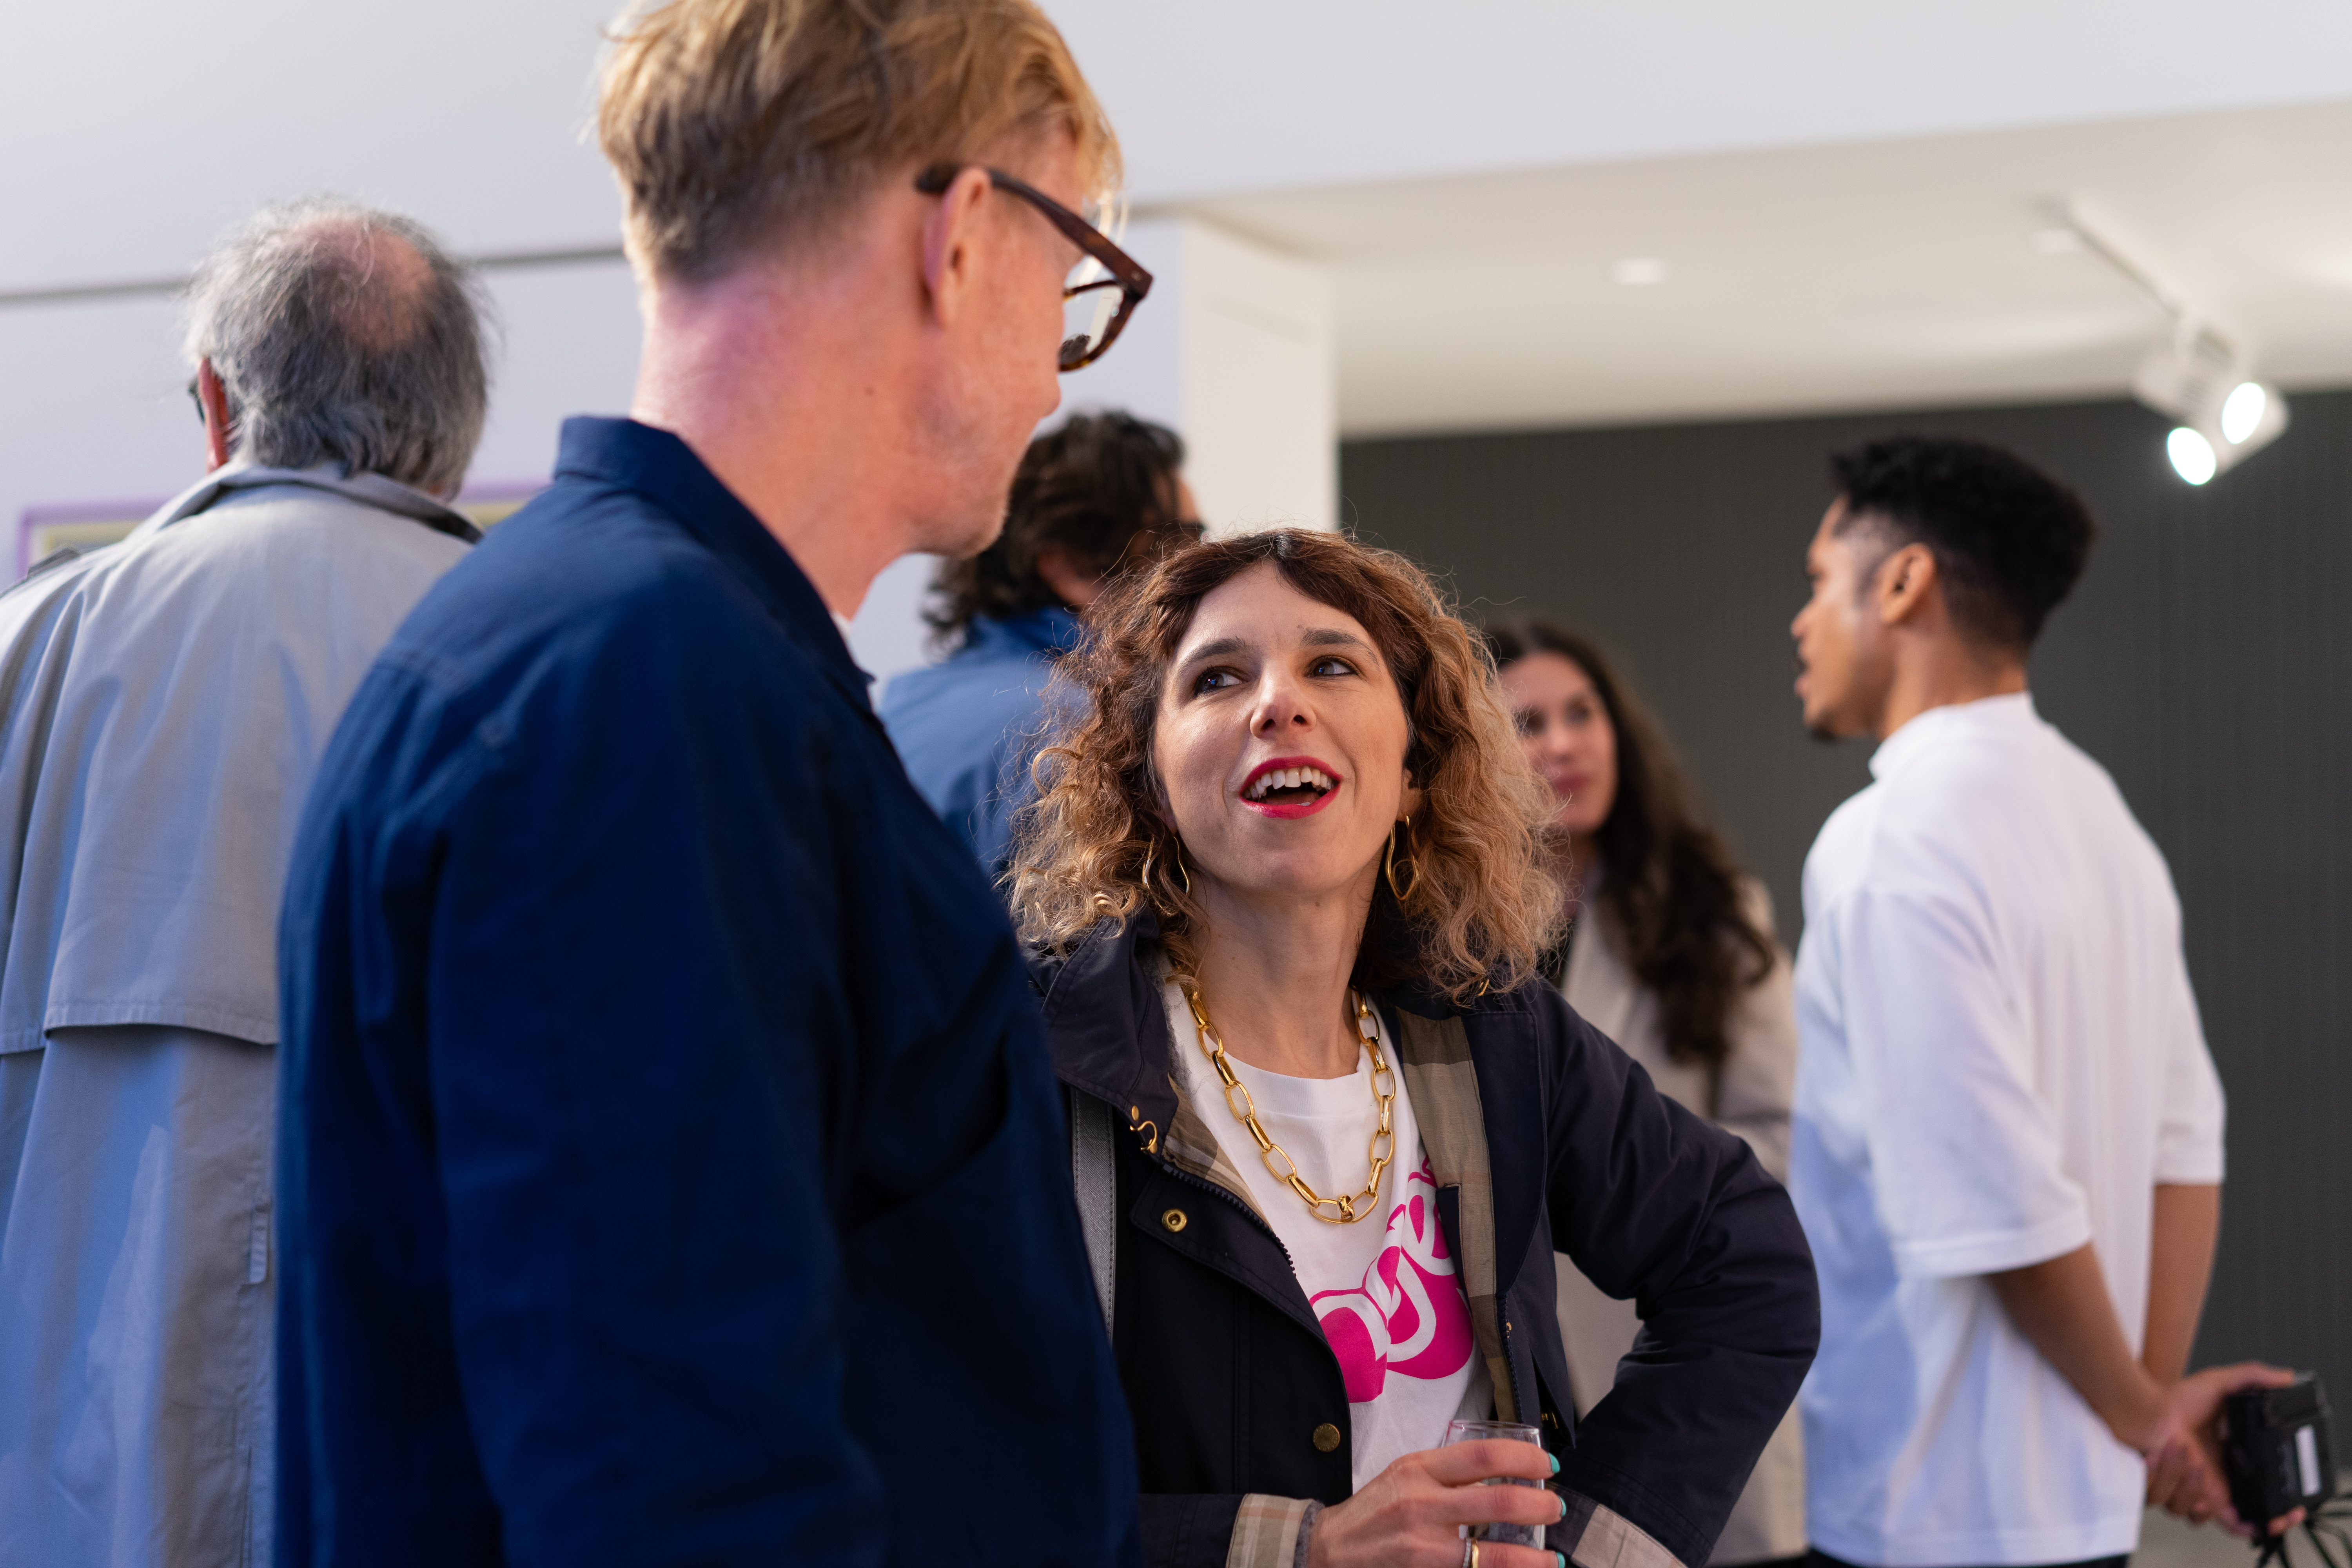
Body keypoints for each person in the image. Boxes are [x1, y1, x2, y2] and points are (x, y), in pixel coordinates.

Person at [273, 3, 1151, 1564]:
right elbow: (670, 1480)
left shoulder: (644, 651)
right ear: (963, 238)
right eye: (1071, 279)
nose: (1050, 381)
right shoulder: (643, 690)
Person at [1011, 528, 1820, 1568]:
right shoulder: (1035, 1067)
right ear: (1151, 783)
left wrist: (1603, 1547)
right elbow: (952, 1482)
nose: (1277, 703)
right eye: (1217, 677)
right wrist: (1299, 1548)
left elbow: (1748, 1262)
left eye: (1332, 665)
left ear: (1415, 772)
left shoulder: (1497, 1033)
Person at [0, 198, 486, 1565]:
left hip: (73, 1472)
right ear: (453, 431)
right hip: (435, 1452)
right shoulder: (550, 648)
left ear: (215, 402)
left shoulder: (39, 640)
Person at [1786, 436, 2298, 1568]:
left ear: (1905, 582)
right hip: (2073, 1502)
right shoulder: (2102, 819)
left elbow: (1996, 1193)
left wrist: (2141, 1416)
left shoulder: (1889, 841)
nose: (1802, 621)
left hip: (1924, 1504)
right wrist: (2143, 1409)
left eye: (1822, 582)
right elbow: (2185, 1146)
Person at [1488, 622, 1807, 1568]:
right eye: (1529, 721)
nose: (1563, 743)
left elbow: (1783, 1137)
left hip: (1667, 1346)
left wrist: (1633, 1180)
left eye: (1582, 714)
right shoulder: (1447, 935)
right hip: (1517, 1367)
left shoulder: (1713, 912)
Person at [883, 409, 1199, 873]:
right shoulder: (1084, 732)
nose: (1200, 570)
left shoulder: (900, 704)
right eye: (1179, 542)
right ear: (1071, 566)